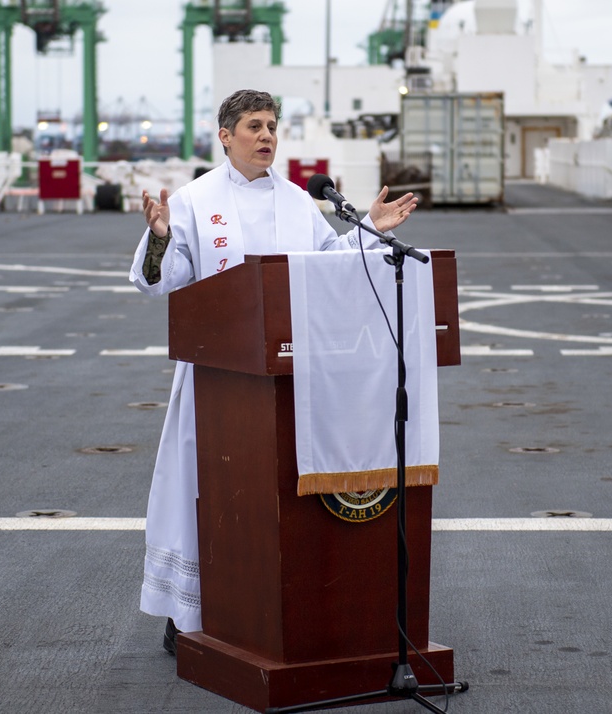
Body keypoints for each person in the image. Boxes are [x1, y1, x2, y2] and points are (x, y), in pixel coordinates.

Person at [129, 89, 418, 654]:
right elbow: (163, 280)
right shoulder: (193, 199)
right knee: (207, 492)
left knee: (273, 497)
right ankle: (192, 613)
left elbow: (327, 267)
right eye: (254, 126)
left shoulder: (295, 201)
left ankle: (268, 604)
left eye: (272, 126)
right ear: (226, 135)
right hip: (216, 381)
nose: (266, 136)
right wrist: (162, 238)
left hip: (287, 381)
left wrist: (368, 229)